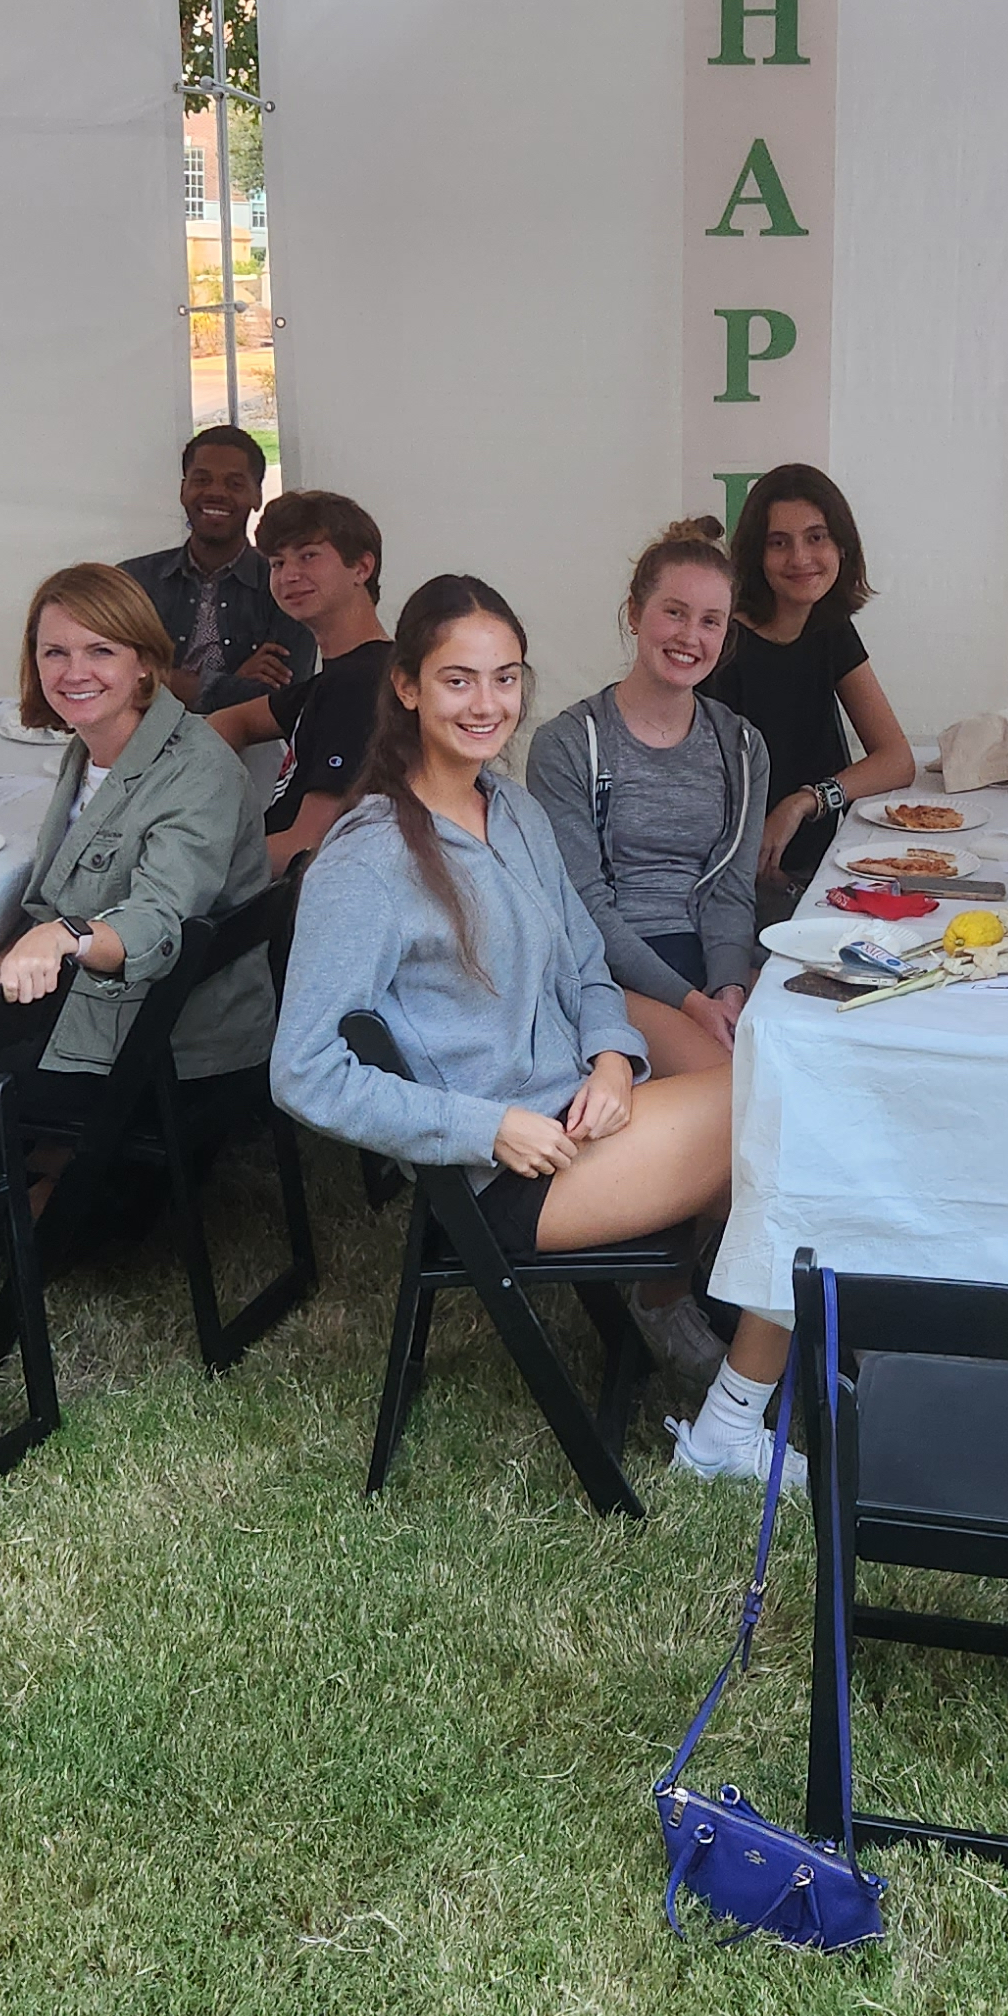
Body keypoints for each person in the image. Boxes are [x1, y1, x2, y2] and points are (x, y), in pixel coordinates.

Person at [272, 575, 784, 1486]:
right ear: (407, 687)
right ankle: (728, 1433)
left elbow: (586, 963)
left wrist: (617, 1058)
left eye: (504, 679)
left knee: (787, 1098)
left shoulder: (510, 809)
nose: (487, 704)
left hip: (580, 1109)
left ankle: (712, 1354)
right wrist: (486, 1128)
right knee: (796, 1120)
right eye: (458, 680)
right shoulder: (369, 859)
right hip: (511, 1170)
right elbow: (304, 1071)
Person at [0, 562, 272, 1114]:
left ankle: (41, 1187)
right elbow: (59, 903)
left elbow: (157, 921)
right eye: (55, 652)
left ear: (144, 664)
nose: (74, 671)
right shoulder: (91, 748)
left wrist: (65, 936)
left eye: (101, 650)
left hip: (165, 1051)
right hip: (106, 1014)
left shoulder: (196, 771)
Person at [526, 519, 770, 1085]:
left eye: (711, 621)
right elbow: (582, 907)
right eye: (674, 612)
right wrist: (692, 1003)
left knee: (810, 1049)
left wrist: (728, 988)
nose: (691, 637)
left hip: (712, 959)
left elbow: (732, 888)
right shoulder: (567, 744)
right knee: (731, 1089)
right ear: (634, 614)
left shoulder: (742, 745)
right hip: (612, 972)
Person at [706, 463, 913, 918]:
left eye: (816, 537)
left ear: (842, 545)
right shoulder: (722, 645)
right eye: (779, 543)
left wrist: (805, 801)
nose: (800, 558)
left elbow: (897, 758)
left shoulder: (828, 624)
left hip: (823, 867)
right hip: (741, 886)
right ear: (756, 555)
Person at [205, 487, 393, 868]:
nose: (289, 575)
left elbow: (307, 846)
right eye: (276, 563)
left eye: (308, 556)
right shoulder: (331, 681)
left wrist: (193, 871)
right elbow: (232, 721)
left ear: (362, 568)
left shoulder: (363, 682)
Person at [125, 425, 313, 717]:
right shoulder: (132, 581)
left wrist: (158, 680)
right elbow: (110, 678)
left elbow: (284, 700)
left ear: (257, 496)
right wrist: (234, 683)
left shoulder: (288, 585)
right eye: (202, 480)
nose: (215, 492)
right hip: (145, 746)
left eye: (235, 484)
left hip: (253, 754)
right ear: (183, 490)